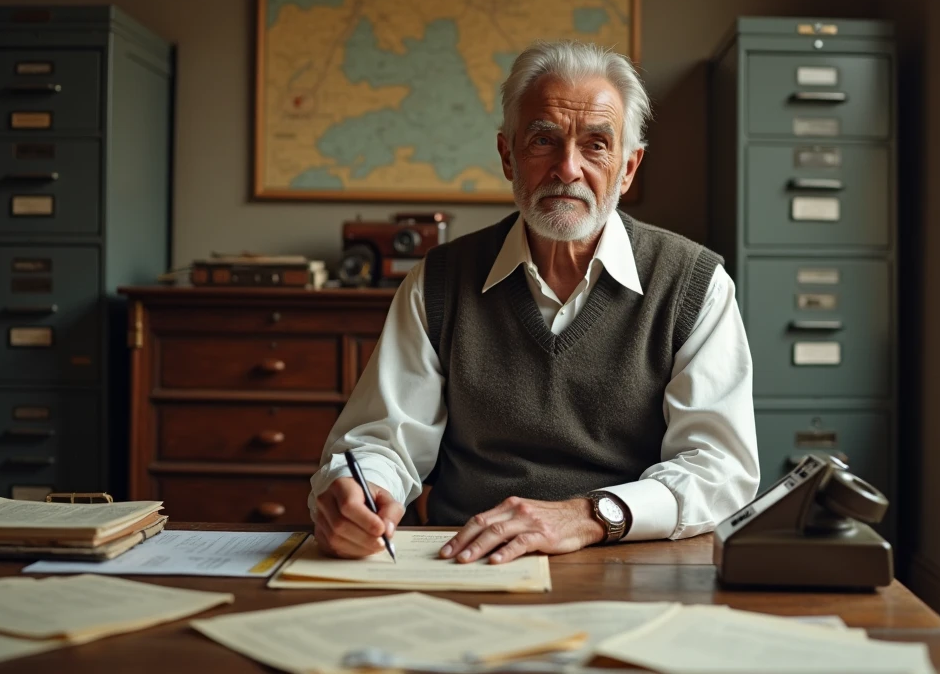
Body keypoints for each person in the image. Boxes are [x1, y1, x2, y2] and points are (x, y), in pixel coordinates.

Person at [308, 39, 759, 564]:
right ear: (508, 155)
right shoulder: (438, 283)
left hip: (628, 562)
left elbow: (719, 469)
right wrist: (358, 491)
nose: (567, 169)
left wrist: (589, 515)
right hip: (467, 562)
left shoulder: (694, 284)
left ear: (629, 168)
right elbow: (382, 441)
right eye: (544, 140)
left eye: (596, 144)